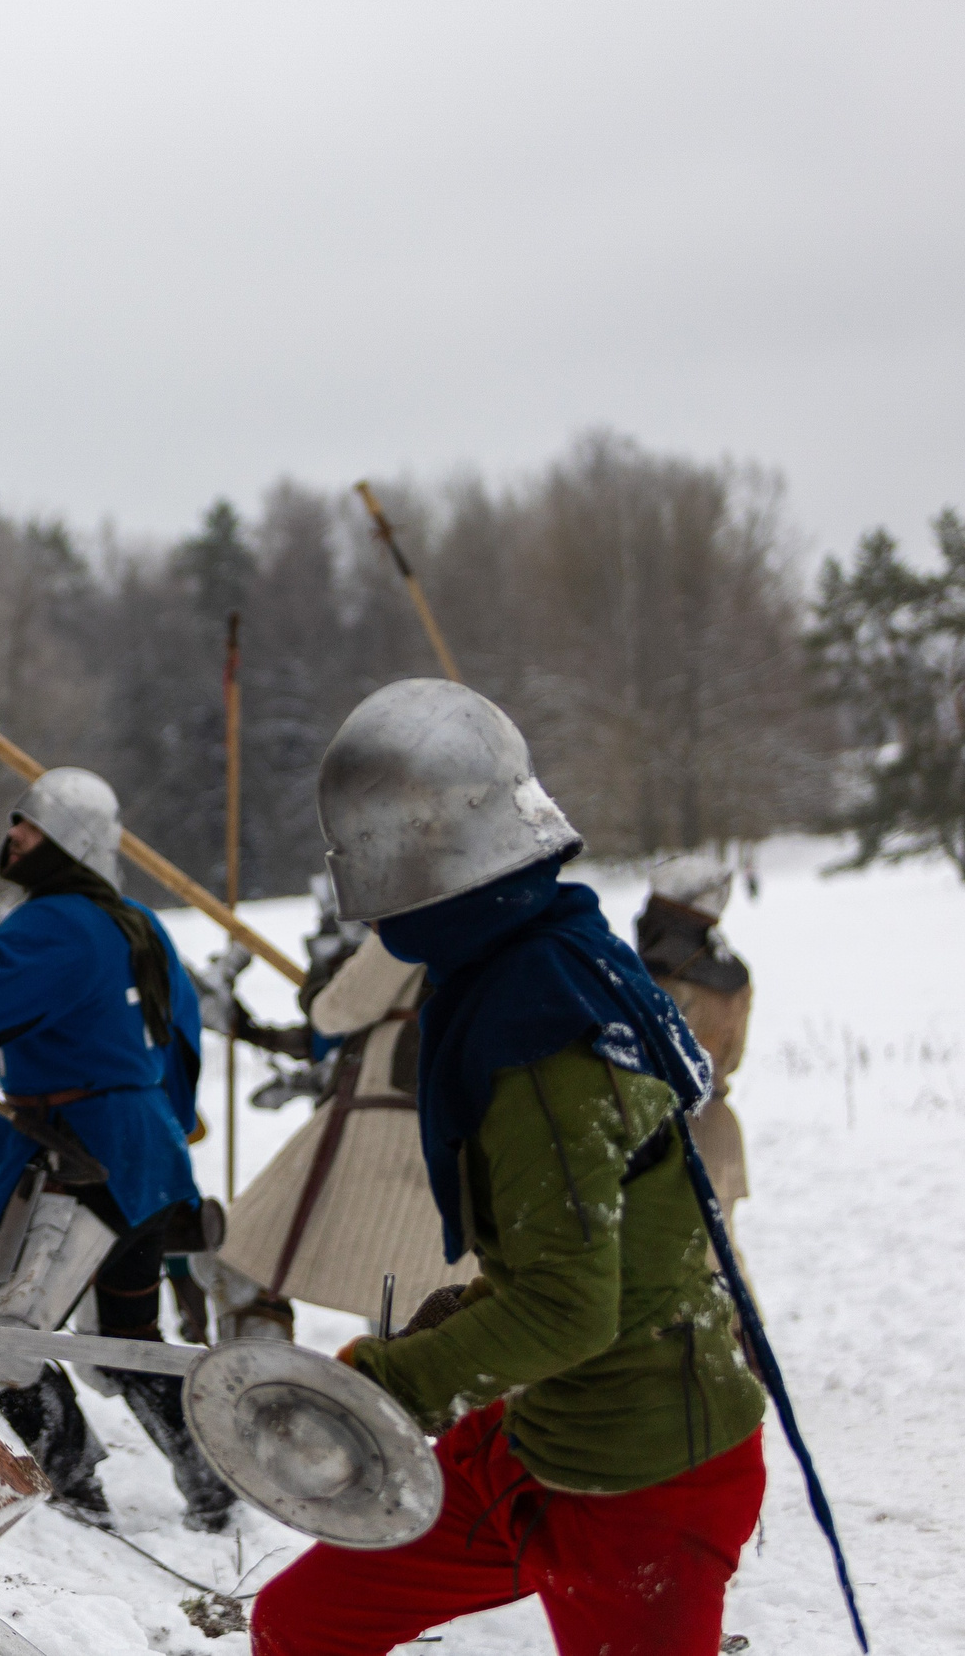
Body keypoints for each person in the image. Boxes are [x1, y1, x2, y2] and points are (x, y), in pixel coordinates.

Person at [251, 679, 766, 1656]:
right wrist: (468, 1317)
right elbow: (567, 1246)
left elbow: (570, 1307)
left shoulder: (540, 1031)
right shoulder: (548, 951)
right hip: (534, 1437)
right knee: (303, 1625)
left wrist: (391, 1383)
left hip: (647, 1471)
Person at [0, 767, 235, 1534]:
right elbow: (182, 1046)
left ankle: (75, 1498)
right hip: (140, 1155)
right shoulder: (138, 920)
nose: (11, 837)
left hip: (79, 1160)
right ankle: (215, 1488)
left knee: (0, 1340)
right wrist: (160, 1139)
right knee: (129, 1339)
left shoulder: (58, 922)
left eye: (27, 827)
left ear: (66, 844)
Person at [209, 920, 474, 1345]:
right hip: (463, 1132)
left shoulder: (425, 912)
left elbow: (337, 1012)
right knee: (414, 1296)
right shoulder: (537, 920)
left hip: (387, 1126)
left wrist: (319, 989)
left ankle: (265, 1389)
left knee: (243, 1257)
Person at [636, 851, 753, 1235]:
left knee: (700, 1278)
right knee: (717, 1270)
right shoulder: (731, 972)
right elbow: (730, 1059)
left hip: (672, 1141)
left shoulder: (661, 976)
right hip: (717, 1132)